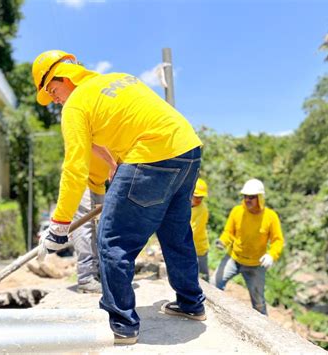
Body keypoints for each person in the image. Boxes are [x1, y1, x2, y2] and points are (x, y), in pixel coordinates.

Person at [32, 50, 206, 344]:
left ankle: (121, 324)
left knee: (113, 241)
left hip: (150, 156)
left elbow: (74, 168)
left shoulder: (75, 105)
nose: (55, 99)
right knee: (175, 232)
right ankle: (191, 304)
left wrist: (60, 224)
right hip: (187, 149)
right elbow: (120, 130)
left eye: (52, 90)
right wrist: (117, 165)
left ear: (64, 78)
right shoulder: (117, 80)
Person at [214, 178, 284, 315]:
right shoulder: (237, 211)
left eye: (252, 197)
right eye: (245, 197)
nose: (247, 200)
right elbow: (229, 232)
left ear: (260, 198)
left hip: (255, 265)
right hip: (234, 258)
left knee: (258, 303)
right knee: (214, 284)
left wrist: (272, 255)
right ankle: (215, 315)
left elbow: (278, 240)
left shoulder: (270, 217)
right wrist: (223, 241)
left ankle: (264, 331)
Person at [70, 149, 116, 293]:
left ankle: (97, 274)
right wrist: (112, 163)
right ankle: (86, 278)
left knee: (99, 228)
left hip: (98, 183)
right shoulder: (97, 127)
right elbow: (92, 143)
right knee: (85, 228)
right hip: (81, 180)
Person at [191, 178, 210, 282]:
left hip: (199, 248)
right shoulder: (186, 205)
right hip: (188, 246)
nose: (198, 199)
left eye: (201, 197)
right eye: (196, 196)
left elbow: (194, 231)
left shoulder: (203, 210)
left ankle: (208, 296)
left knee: (203, 275)